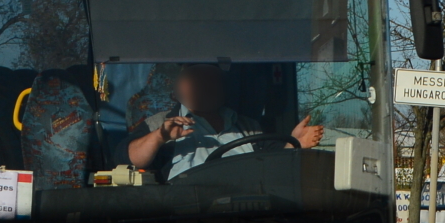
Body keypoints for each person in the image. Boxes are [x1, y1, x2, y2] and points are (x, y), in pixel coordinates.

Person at [126, 63, 322, 178]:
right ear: (176, 90)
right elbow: (127, 159)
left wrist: (294, 143)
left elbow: (273, 164)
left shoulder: (248, 126)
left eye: (213, 78)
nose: (206, 85)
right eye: (197, 79)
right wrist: (159, 137)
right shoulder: (159, 124)